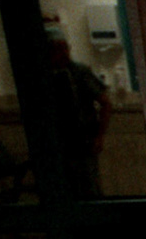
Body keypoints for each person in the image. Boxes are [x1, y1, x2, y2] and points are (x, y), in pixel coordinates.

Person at [43, 25, 112, 198]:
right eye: (57, 48)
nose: (63, 53)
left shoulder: (80, 73)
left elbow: (105, 103)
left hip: (84, 140)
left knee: (89, 187)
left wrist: (99, 136)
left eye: (65, 47)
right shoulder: (45, 77)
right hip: (59, 143)